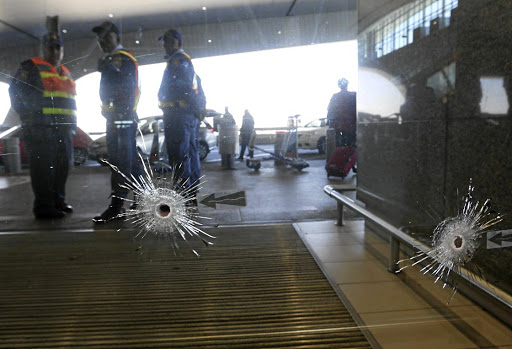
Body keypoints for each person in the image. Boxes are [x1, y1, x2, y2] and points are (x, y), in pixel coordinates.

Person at [9, 33, 77, 219]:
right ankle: (44, 207)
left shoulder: (65, 71)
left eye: (58, 47)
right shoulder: (31, 67)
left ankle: (58, 201)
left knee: (62, 168)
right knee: (43, 170)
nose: (54, 51)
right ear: (43, 48)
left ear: (62, 50)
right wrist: (29, 118)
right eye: (50, 47)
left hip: (63, 130)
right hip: (41, 130)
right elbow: (15, 92)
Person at [92, 21, 142, 222]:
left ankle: (117, 206)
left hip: (120, 119)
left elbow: (126, 91)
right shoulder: (115, 60)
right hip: (120, 118)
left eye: (107, 36)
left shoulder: (121, 59)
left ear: (117, 38)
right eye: (100, 38)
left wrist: (109, 69)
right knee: (130, 160)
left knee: (120, 162)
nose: (102, 41)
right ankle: (142, 197)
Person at [158, 28, 203, 205]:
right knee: (189, 153)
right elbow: (196, 87)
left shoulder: (178, 61)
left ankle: (184, 194)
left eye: (169, 41)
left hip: (178, 116)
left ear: (178, 42)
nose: (165, 45)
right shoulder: (182, 62)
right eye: (164, 41)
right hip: (184, 115)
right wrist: (197, 109)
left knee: (179, 155)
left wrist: (193, 108)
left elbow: (184, 88)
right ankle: (190, 192)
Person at [327, 78, 356, 147]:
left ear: (339, 85)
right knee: (351, 146)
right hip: (351, 126)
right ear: (347, 85)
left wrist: (330, 121)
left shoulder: (335, 96)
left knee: (340, 147)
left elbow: (330, 110)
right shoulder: (353, 95)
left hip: (339, 126)